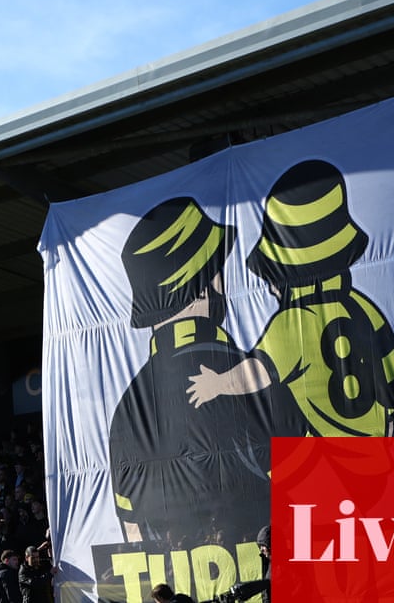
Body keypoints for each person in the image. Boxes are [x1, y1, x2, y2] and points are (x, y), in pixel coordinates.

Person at [188, 159, 394, 438]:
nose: (270, 288)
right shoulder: (365, 308)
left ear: (288, 276)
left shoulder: (292, 323)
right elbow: (393, 388)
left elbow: (256, 372)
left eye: (272, 276)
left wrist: (217, 384)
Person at [110, 197, 276, 547]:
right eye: (217, 271)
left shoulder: (127, 411)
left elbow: (131, 530)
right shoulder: (248, 377)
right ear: (201, 289)